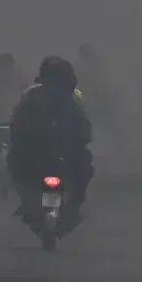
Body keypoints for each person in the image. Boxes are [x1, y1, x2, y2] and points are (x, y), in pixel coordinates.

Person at [8, 56, 95, 229]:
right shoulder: (71, 96)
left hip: (50, 150)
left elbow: (16, 122)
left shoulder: (32, 94)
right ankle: (70, 207)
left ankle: (64, 206)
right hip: (47, 150)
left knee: (15, 166)